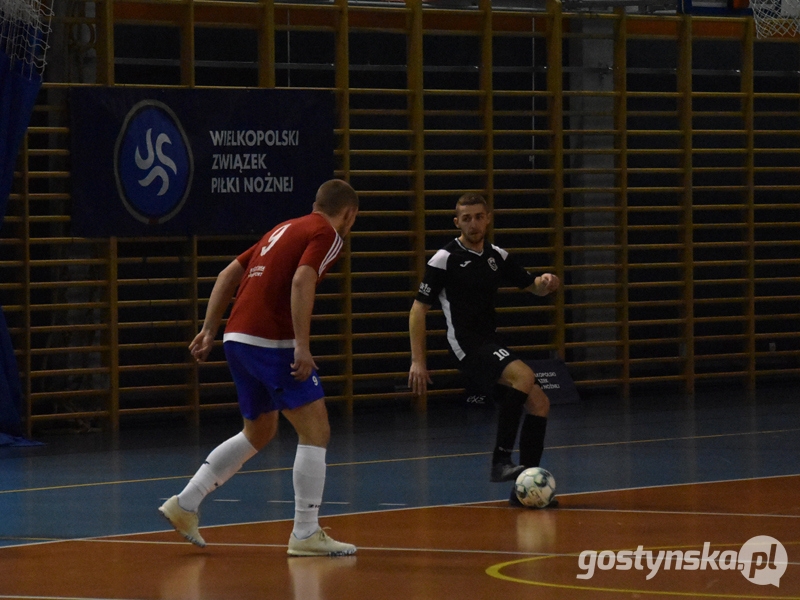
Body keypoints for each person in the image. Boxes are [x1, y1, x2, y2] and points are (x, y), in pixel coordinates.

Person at [159, 179, 359, 555]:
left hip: (237, 338)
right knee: (316, 430)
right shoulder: (328, 233)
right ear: (349, 214)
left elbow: (227, 274)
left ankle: (185, 504)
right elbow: (303, 279)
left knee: (259, 431)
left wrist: (208, 330)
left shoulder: (281, 228)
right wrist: (302, 344)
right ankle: (305, 532)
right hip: (271, 340)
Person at [407, 193, 560, 507]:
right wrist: (417, 361)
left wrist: (547, 282)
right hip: (464, 345)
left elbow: (533, 286)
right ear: (456, 222)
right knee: (524, 376)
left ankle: (524, 492)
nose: (473, 224)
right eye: (466, 218)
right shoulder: (444, 259)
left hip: (489, 342)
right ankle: (500, 460)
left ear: (488, 218)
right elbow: (417, 310)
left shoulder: (497, 256)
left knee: (540, 403)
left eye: (478, 217)